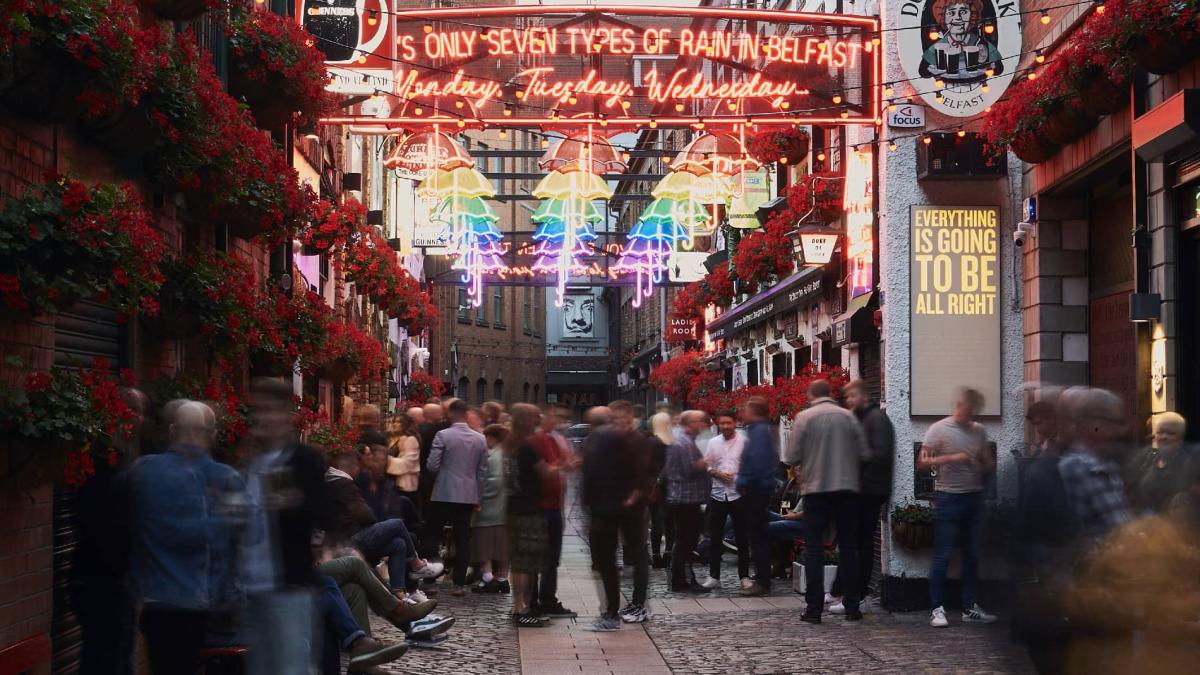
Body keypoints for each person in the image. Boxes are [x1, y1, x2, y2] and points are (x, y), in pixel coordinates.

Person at [127, 401, 247, 674]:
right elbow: (247, 539)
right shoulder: (226, 479)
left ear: (172, 431)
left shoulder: (143, 471)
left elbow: (124, 522)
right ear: (212, 434)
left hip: (156, 603)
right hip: (208, 607)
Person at [240, 378, 334, 675]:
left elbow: (326, 513)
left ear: (286, 414)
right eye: (258, 410)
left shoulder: (302, 460)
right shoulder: (251, 461)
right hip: (251, 586)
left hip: (289, 586)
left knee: (291, 668)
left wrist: (293, 504)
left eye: (270, 410)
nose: (262, 418)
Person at [70, 387, 145, 675]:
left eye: (140, 411)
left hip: (110, 583)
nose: (138, 419)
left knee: (113, 658)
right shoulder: (106, 469)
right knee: (106, 661)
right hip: (103, 584)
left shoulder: (125, 464)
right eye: (133, 411)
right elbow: (104, 531)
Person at [785, 380, 869, 623]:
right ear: (831, 395)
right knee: (849, 549)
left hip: (816, 489)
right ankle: (852, 606)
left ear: (811, 395)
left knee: (813, 549)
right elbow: (864, 452)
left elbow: (791, 456)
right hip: (846, 489)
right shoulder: (848, 417)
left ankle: (814, 609)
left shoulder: (804, 417)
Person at [917, 387, 997, 628]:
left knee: (973, 554)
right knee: (943, 554)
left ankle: (969, 606)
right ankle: (937, 608)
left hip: (974, 497)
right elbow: (922, 463)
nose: (967, 413)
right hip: (948, 496)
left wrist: (983, 461)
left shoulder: (979, 431)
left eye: (972, 410)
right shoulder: (939, 429)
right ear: (958, 405)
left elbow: (988, 465)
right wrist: (950, 458)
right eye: (964, 407)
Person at [324, 451, 442, 598]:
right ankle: (417, 565)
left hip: (348, 537)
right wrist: (377, 527)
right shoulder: (343, 483)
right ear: (353, 467)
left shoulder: (334, 482)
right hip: (351, 538)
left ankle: (400, 595)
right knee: (397, 525)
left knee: (398, 543)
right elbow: (363, 514)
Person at [581, 402, 650, 630]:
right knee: (607, 559)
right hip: (608, 508)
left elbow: (643, 474)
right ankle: (612, 609)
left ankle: (637, 604)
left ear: (629, 418)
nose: (617, 423)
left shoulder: (636, 440)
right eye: (614, 419)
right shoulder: (600, 439)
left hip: (629, 508)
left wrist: (632, 497)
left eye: (621, 419)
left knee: (637, 552)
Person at [829, 380, 895, 614]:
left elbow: (881, 454)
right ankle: (844, 591)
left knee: (861, 543)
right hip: (860, 489)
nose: (848, 402)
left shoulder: (876, 418)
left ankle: (858, 595)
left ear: (863, 396)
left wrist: (852, 456)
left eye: (851, 397)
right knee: (852, 541)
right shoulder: (862, 417)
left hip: (869, 490)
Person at [423, 398, 489, 595]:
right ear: (466, 415)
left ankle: (430, 579)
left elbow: (432, 465)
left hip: (443, 491)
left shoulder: (442, 435)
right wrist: (478, 496)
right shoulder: (480, 439)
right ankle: (459, 583)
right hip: (467, 494)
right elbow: (482, 472)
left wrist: (442, 474)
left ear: (450, 414)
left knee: (432, 535)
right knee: (462, 538)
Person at [504, 403, 559, 626]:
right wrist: (563, 465)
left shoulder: (510, 444)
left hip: (513, 507)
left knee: (518, 562)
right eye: (536, 416)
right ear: (527, 420)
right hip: (529, 510)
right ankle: (521, 608)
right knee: (525, 564)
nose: (539, 420)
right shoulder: (527, 447)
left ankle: (519, 607)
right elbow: (545, 473)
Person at [1058, 388, 1132, 538]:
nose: (1123, 430)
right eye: (1115, 422)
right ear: (1093, 424)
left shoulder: (1109, 463)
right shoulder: (1074, 468)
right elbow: (1072, 537)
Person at [530, 404, 578, 617]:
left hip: (554, 505)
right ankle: (532, 602)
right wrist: (564, 465)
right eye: (557, 417)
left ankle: (547, 599)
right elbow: (546, 471)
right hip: (539, 507)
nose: (562, 422)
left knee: (552, 558)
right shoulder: (537, 440)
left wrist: (568, 465)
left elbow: (561, 468)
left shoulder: (556, 439)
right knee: (537, 557)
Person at [701, 410, 749, 590]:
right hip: (718, 493)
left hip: (738, 494)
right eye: (723, 423)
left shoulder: (745, 442)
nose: (726, 426)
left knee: (742, 537)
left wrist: (742, 480)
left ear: (735, 423)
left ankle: (744, 576)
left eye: (729, 423)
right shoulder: (713, 443)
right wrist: (717, 473)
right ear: (718, 424)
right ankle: (714, 576)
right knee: (715, 536)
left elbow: (749, 465)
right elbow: (707, 464)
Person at [665, 410, 712, 593]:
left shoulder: (686, 439)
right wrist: (710, 459)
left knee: (686, 540)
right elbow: (689, 468)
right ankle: (680, 580)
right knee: (686, 540)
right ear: (690, 423)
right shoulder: (682, 442)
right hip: (685, 498)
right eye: (701, 421)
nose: (705, 425)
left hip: (687, 497)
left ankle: (684, 578)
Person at [736, 396, 779, 596]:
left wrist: (743, 483)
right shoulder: (760, 430)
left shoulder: (759, 431)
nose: (742, 413)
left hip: (755, 490)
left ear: (753, 411)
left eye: (745, 409)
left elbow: (757, 461)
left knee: (757, 536)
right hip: (758, 488)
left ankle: (763, 580)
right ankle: (762, 577)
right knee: (757, 535)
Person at [1128, 412, 1200, 515]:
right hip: (1150, 523)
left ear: (1180, 436)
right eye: (1160, 432)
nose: (1164, 437)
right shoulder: (1146, 458)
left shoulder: (1194, 458)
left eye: (1170, 433)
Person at [472, 424, 510, 594]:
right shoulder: (507, 453)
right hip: (504, 509)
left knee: (484, 544)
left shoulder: (494, 456)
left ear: (493, 437)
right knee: (502, 545)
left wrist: (478, 497)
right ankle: (502, 578)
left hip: (489, 509)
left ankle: (487, 579)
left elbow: (493, 481)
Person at [647, 412, 675, 570]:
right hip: (671, 485)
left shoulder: (651, 442)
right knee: (670, 522)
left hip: (654, 486)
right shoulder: (673, 442)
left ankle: (656, 554)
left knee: (656, 521)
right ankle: (669, 552)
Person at [386, 412, 422, 508]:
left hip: (406, 483)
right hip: (397, 481)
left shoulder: (410, 440)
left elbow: (408, 463)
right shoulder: (397, 439)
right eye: (394, 422)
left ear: (405, 424)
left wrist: (386, 460)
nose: (395, 424)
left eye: (398, 422)